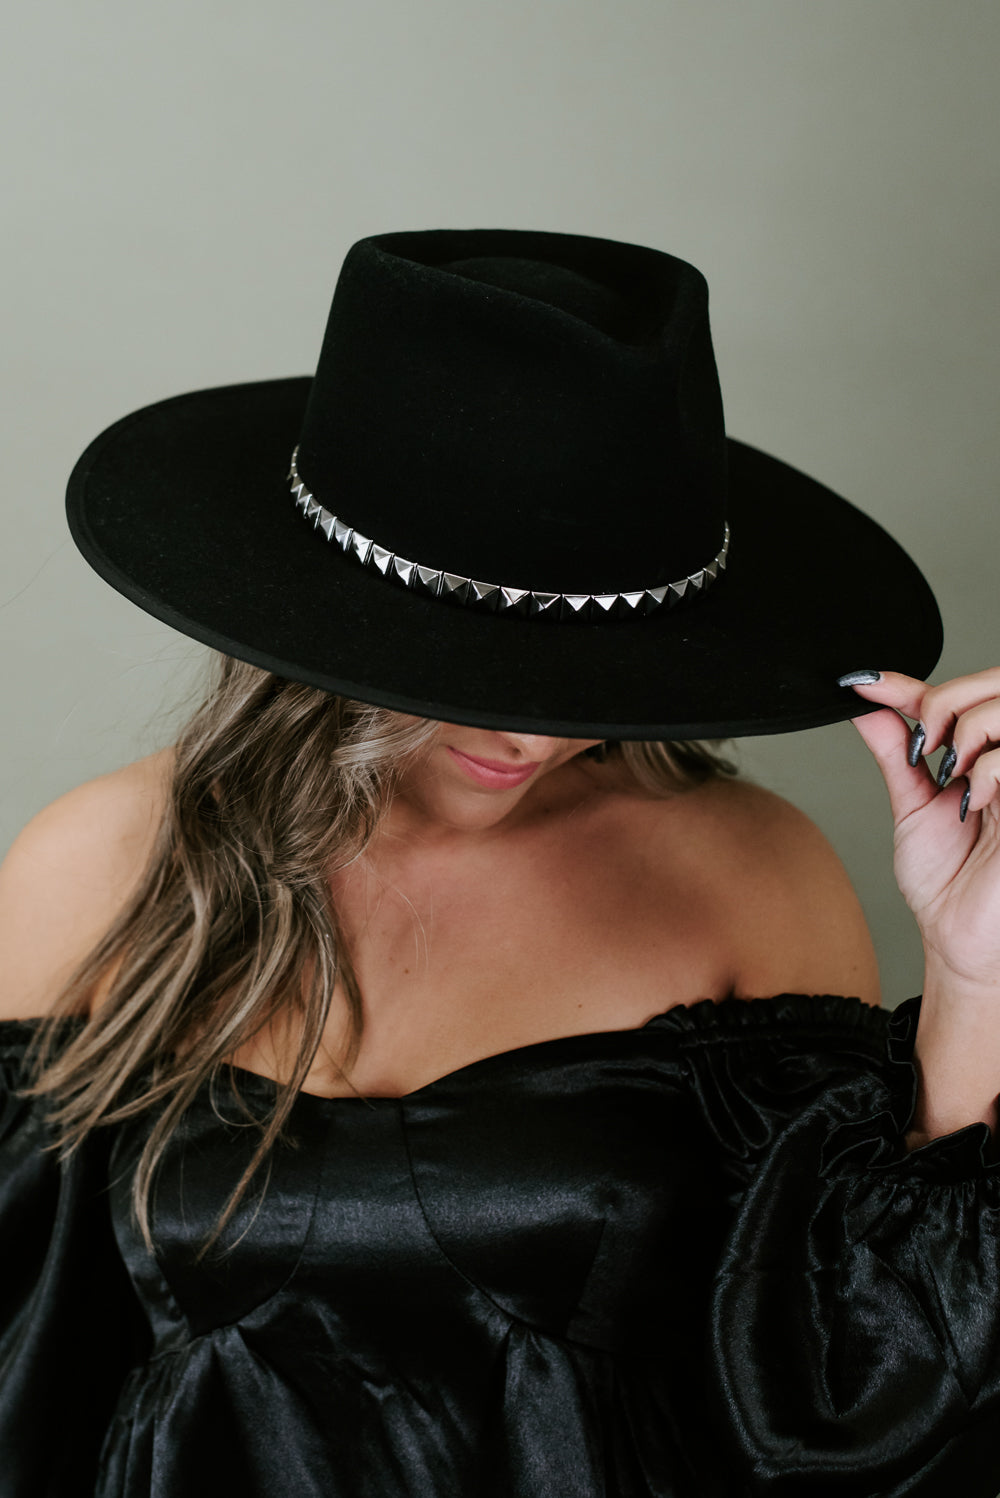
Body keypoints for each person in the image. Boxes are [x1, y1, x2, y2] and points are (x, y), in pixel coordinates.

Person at [1, 227, 999, 1498]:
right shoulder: (102, 867)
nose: (535, 735)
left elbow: (862, 1392)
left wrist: (977, 973)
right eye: (476, 668)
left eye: (585, 675)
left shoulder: (745, 871)